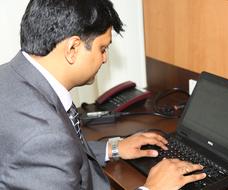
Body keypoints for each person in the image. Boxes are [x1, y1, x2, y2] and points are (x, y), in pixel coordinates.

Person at [0, 0, 206, 189]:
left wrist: (113, 148)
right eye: (102, 48)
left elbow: (54, 155)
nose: (105, 59)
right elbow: (48, 148)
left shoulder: (8, 77)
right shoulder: (43, 138)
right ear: (73, 48)